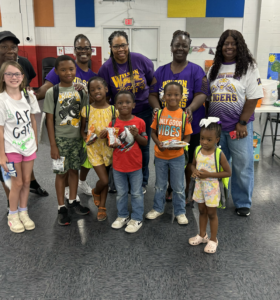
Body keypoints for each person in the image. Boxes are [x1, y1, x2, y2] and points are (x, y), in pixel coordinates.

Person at [207, 30, 263, 217]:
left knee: (242, 166)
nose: (229, 47)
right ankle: (218, 198)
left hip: (238, 128)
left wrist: (242, 122)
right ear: (220, 46)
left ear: (239, 46)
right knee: (218, 165)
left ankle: (242, 203)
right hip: (217, 128)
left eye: (233, 43)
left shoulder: (248, 67)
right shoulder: (214, 68)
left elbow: (254, 97)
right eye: (225, 43)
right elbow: (208, 97)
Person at [149, 30, 209, 203]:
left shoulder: (196, 71)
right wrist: (155, 109)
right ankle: (170, 187)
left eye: (184, 45)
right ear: (171, 47)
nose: (180, 48)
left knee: (189, 160)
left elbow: (202, 94)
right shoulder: (160, 72)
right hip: (167, 127)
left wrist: (190, 108)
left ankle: (187, 189)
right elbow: (152, 95)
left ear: (189, 48)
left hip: (191, 125)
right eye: (177, 45)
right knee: (168, 157)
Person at [36, 34, 97, 198]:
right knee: (64, 166)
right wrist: (26, 97)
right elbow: (43, 90)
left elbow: (95, 98)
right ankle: (68, 193)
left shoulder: (92, 76)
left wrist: (84, 90)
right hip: (63, 128)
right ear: (74, 50)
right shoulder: (64, 67)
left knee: (85, 158)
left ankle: (81, 183)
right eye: (79, 48)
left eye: (86, 48)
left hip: (82, 125)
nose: (83, 51)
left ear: (91, 51)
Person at [98, 31, 154, 193]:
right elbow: (106, 96)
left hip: (143, 112)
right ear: (110, 48)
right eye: (116, 46)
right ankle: (118, 181)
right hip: (120, 116)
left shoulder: (141, 60)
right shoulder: (106, 68)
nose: (120, 49)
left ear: (128, 45)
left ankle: (142, 182)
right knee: (120, 147)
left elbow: (152, 82)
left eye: (123, 45)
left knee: (142, 147)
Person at [0, 30, 48, 204]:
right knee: (6, 165)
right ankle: (10, 201)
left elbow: (28, 86)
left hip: (21, 119)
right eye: (4, 47)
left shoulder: (24, 63)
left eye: (13, 47)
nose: (10, 50)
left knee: (24, 153)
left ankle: (32, 183)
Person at [43, 55, 90, 226]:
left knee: (74, 171)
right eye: (63, 69)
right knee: (61, 173)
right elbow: (49, 120)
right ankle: (61, 206)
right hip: (60, 141)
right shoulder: (52, 92)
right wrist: (53, 145)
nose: (67, 72)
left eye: (71, 69)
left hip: (76, 140)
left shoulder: (80, 90)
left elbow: (84, 113)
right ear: (56, 71)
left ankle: (72, 201)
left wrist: (83, 133)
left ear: (75, 70)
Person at [0, 61, 40, 233]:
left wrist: (36, 142)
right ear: (3, 77)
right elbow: (0, 130)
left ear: (23, 77)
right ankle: (13, 214)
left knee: (25, 182)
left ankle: (23, 212)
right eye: (9, 74)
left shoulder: (29, 96)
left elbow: (33, 120)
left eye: (17, 74)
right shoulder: (1, 100)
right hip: (11, 149)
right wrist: (2, 155)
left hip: (28, 146)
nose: (13, 77)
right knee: (15, 183)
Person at [145, 82, 192, 224]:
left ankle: (180, 212)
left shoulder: (184, 116)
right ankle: (158, 208)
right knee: (160, 185)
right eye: (169, 94)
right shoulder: (159, 114)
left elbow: (188, 136)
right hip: (160, 156)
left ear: (181, 96)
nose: (172, 97)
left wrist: (180, 145)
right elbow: (153, 133)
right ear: (163, 96)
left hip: (177, 157)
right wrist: (158, 142)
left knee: (178, 186)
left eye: (176, 94)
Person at [189, 119, 231, 253]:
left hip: (212, 188)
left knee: (212, 213)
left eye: (209, 139)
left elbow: (228, 172)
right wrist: (194, 170)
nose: (204, 142)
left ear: (217, 139)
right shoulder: (197, 150)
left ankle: (213, 239)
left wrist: (210, 174)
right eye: (202, 138)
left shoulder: (219, 154)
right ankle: (202, 235)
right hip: (200, 187)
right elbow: (192, 164)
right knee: (201, 211)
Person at [80, 76, 119, 221]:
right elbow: (82, 131)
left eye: (99, 88)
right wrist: (86, 138)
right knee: (104, 180)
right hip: (94, 149)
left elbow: (118, 129)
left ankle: (102, 207)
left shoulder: (114, 110)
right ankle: (95, 192)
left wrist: (110, 131)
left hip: (109, 149)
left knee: (107, 180)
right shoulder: (87, 110)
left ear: (106, 89)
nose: (96, 91)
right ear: (89, 93)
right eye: (92, 90)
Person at [109, 91, 148, 233]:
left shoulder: (140, 122)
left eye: (127, 102)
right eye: (120, 103)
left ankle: (137, 218)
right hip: (118, 166)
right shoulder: (113, 122)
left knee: (137, 193)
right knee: (121, 193)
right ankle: (122, 215)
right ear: (115, 106)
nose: (124, 105)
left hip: (135, 165)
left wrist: (136, 135)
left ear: (133, 105)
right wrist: (111, 143)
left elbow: (144, 143)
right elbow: (111, 143)